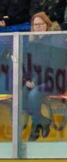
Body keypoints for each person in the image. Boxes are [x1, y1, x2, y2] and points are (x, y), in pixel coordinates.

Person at [21, 13, 66, 141]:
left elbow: (55, 66)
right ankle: (42, 120)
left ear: (47, 25)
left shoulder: (56, 40)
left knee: (34, 94)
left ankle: (35, 127)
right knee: (23, 93)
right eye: (35, 25)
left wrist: (35, 81)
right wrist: (28, 79)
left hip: (55, 80)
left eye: (41, 24)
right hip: (36, 80)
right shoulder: (33, 42)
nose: (38, 27)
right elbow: (27, 64)